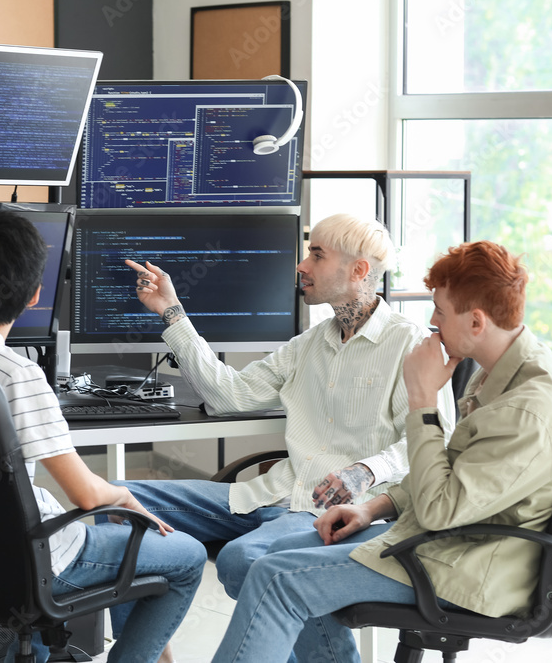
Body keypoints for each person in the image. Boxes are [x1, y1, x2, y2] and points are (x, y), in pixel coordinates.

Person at [112, 213, 456, 660]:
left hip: (337, 509)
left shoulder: (409, 344)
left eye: (317, 254)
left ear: (358, 271)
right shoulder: (308, 344)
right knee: (115, 499)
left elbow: (432, 442)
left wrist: (367, 470)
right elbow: (228, 395)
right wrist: (172, 313)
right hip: (271, 492)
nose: (301, 266)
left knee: (242, 560)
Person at [212, 240, 552, 662]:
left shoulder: (525, 409)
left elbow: (439, 509)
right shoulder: (504, 369)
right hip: (443, 540)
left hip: (465, 567)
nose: (433, 322)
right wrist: (373, 507)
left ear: (477, 322)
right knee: (275, 556)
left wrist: (422, 401)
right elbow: (455, 474)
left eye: (442, 312)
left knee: (276, 578)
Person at [0, 211, 206, 663]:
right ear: (34, 296)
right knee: (185, 556)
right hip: (28, 558)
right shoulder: (17, 374)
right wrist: (123, 498)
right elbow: (86, 496)